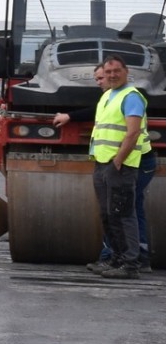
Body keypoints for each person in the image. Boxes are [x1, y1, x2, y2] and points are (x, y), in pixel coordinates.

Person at [56, 57, 149, 279]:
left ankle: (130, 265)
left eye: (116, 71)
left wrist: (118, 161)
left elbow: (133, 133)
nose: (112, 75)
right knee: (108, 215)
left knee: (123, 214)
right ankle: (116, 258)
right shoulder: (108, 95)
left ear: (126, 71)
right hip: (103, 163)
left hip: (120, 165)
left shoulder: (131, 96)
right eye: (108, 72)